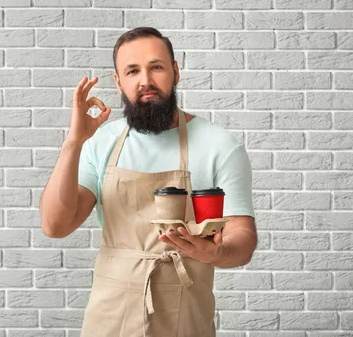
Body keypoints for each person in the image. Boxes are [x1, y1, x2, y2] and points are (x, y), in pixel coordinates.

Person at [39, 27, 258, 336]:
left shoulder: (219, 145)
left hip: (185, 317)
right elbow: (55, 225)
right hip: (109, 318)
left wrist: (217, 253)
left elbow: (243, 237)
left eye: (156, 67)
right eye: (132, 71)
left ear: (176, 71)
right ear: (118, 82)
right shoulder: (100, 142)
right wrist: (74, 142)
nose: (146, 81)